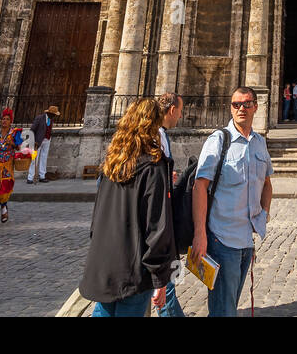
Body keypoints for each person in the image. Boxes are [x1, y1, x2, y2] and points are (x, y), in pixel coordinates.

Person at [79, 98, 175, 317]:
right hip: (133, 270)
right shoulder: (153, 166)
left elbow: (96, 219)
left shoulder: (112, 163)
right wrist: (160, 276)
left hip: (105, 262)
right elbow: (156, 225)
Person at [190, 87, 273, 317]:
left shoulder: (259, 143)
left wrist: (263, 215)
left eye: (247, 104)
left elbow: (267, 183)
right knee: (224, 310)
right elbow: (200, 186)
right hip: (221, 239)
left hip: (246, 241)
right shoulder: (218, 141)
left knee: (228, 305)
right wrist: (200, 234)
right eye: (236, 104)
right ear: (230, 107)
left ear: (256, 106)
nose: (241, 109)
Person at [155, 92, 187, 318]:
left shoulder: (161, 135)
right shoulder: (155, 136)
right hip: (157, 215)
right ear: (172, 110)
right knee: (165, 274)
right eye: (181, 110)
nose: (181, 116)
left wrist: (166, 176)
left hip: (159, 211)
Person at [28, 105, 59, 183]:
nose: (54, 116)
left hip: (47, 140)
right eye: (54, 115)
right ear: (49, 113)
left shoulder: (51, 120)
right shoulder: (39, 118)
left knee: (44, 158)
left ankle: (42, 176)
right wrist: (33, 140)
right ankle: (30, 177)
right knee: (34, 159)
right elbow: (32, 130)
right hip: (37, 141)